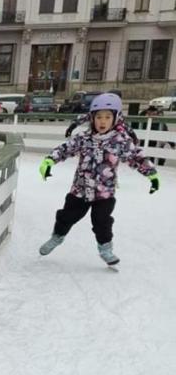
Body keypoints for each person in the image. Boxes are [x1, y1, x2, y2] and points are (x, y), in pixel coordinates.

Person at [38, 92, 159, 266]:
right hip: (80, 190)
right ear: (92, 118)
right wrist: (49, 160)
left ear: (116, 118)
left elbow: (136, 157)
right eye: (99, 117)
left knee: (102, 222)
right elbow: (65, 148)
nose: (102, 121)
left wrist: (152, 174)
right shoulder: (84, 138)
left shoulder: (121, 141)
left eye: (107, 117)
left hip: (104, 193)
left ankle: (105, 249)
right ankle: (57, 237)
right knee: (66, 216)